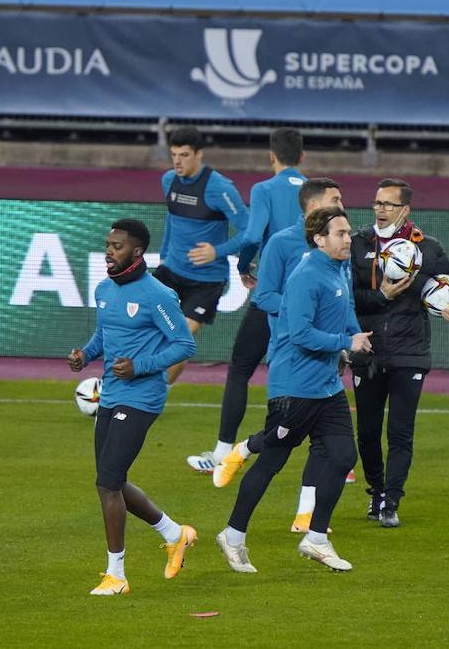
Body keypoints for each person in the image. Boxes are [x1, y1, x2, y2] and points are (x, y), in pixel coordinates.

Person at [215, 207, 370, 574]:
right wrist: (346, 342)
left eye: (348, 232)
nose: (348, 239)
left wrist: (359, 341)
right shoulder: (305, 276)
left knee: (343, 455)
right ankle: (233, 535)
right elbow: (300, 335)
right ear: (319, 239)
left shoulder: (338, 269)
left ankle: (316, 538)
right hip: (294, 389)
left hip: (327, 387)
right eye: (340, 233)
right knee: (272, 460)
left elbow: (345, 312)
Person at [68, 219, 198, 595]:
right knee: (113, 480)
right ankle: (176, 534)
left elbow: (184, 345)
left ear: (137, 252)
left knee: (107, 482)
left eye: (117, 246)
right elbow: (104, 335)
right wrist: (85, 355)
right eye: (108, 244)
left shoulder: (158, 294)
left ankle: (117, 576)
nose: (109, 251)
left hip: (142, 398)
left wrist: (141, 366)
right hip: (110, 396)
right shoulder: (104, 290)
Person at [349, 179, 449, 528]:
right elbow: (349, 295)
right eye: (377, 202)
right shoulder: (358, 244)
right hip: (369, 350)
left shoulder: (429, 249)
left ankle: (391, 501)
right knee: (368, 432)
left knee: (401, 432)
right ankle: (376, 492)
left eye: (388, 204)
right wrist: (382, 297)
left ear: (405, 209)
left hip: (410, 352)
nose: (380, 209)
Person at [186, 128, 307, 474]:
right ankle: (338, 462)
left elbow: (253, 235)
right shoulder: (317, 192)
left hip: (271, 294)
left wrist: (240, 264)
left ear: (272, 156)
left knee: (240, 368)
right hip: (308, 293)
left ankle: (223, 452)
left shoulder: (265, 189)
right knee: (318, 372)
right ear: (302, 157)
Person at [153, 126, 249, 387]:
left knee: (179, 341)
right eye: (174, 154)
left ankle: (155, 396)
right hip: (170, 272)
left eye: (184, 155)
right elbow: (171, 219)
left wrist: (217, 252)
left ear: (199, 155)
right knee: (140, 330)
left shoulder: (219, 188)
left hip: (205, 282)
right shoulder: (168, 180)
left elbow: (249, 230)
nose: (177, 161)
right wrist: (163, 257)